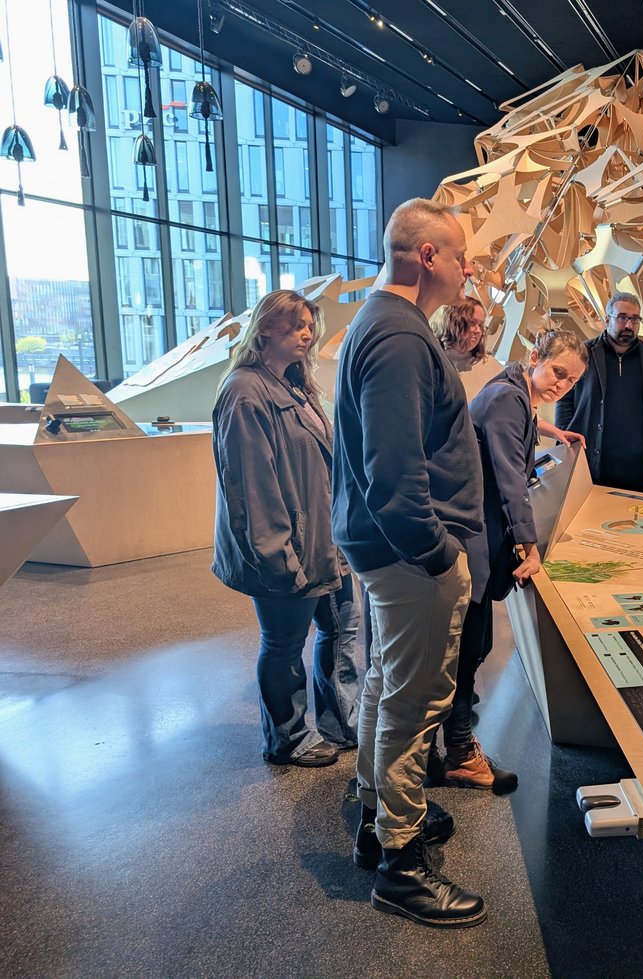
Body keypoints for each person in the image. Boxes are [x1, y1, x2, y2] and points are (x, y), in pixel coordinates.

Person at [331, 199, 487, 927]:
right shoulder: (397, 335)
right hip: (409, 556)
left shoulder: (386, 325)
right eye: (459, 255)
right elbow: (392, 471)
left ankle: (378, 819)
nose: (467, 268)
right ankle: (400, 862)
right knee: (411, 700)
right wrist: (438, 552)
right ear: (426, 256)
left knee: (390, 684)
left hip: (390, 552)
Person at [212, 289, 363, 769]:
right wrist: (279, 556)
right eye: (296, 324)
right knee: (283, 646)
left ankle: (340, 723)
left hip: (324, 541)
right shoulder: (244, 391)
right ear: (265, 330)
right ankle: (287, 738)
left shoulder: (295, 385)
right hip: (286, 549)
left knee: (341, 630)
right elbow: (252, 487)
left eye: (309, 324)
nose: (307, 333)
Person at [438, 329, 588, 792]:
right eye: (558, 372)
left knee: (472, 646)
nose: (563, 384)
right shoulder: (507, 398)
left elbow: (519, 422)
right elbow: (509, 479)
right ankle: (459, 751)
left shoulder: (514, 391)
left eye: (572, 381)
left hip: (478, 535)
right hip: (475, 538)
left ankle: (452, 740)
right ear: (536, 357)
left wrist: (553, 431)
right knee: (468, 650)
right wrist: (529, 545)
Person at [555, 292, 643, 496]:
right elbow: (564, 398)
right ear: (607, 319)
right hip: (593, 461)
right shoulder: (584, 355)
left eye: (634, 319)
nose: (628, 325)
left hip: (641, 468)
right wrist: (564, 433)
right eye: (622, 317)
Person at [432, 297, 498, 402]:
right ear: (454, 322)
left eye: (481, 325)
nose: (478, 331)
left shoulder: (491, 367)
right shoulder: (431, 358)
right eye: (472, 322)